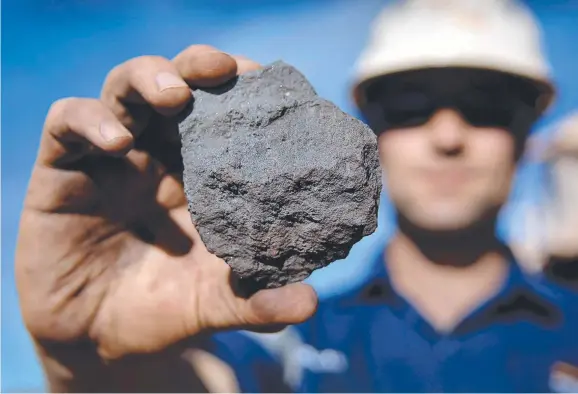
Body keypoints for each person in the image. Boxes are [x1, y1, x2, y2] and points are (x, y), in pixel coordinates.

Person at [15, 0, 578, 392]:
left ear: (530, 134)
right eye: (410, 105)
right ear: (365, 129)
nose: (448, 137)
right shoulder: (286, 341)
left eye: (488, 108)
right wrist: (88, 369)